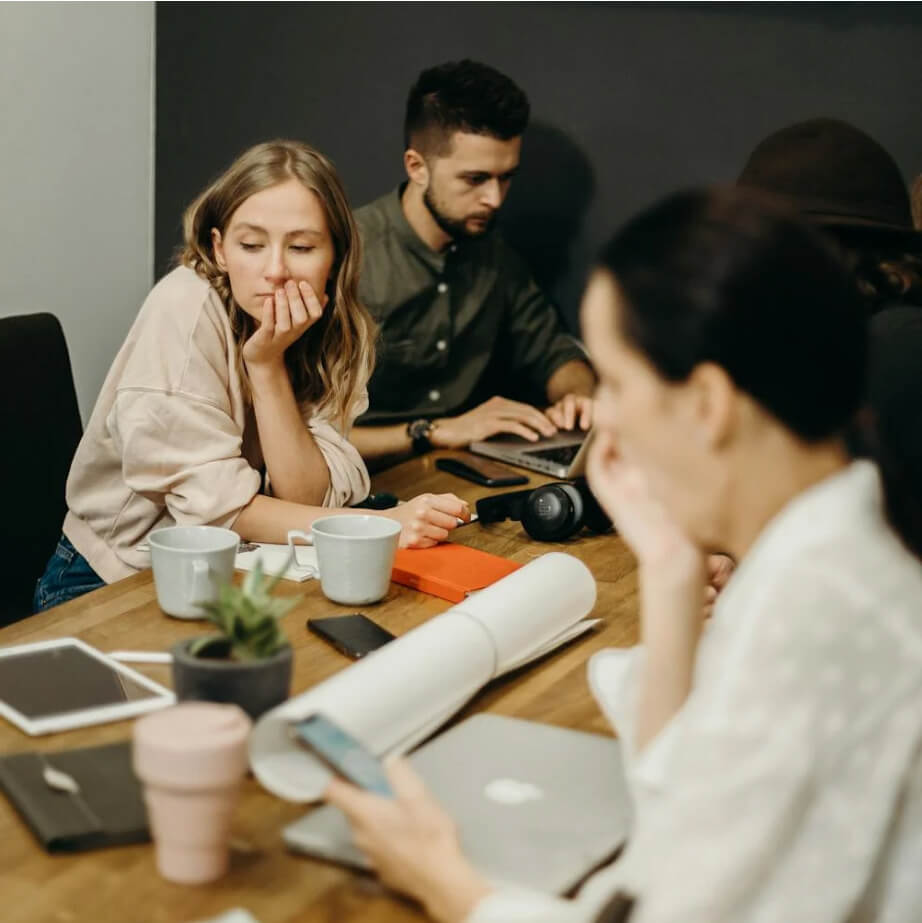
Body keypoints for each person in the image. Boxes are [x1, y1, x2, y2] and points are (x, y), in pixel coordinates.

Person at [324, 189, 922, 922]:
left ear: (705, 402)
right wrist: (670, 569)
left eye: (617, 381)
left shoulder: (818, 622)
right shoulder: (824, 562)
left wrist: (449, 884)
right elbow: (686, 802)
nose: (601, 413)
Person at [34, 140, 468, 612]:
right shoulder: (183, 307)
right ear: (219, 249)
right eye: (251, 245)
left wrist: (267, 365)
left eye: (301, 247)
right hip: (112, 582)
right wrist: (383, 527)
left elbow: (308, 497)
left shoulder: (339, 328)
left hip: (246, 567)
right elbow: (220, 511)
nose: (275, 270)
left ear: (335, 256)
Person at [349, 60, 597, 466]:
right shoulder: (347, 257)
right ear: (417, 167)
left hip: (455, 477)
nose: (495, 199)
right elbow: (299, 432)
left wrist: (578, 396)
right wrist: (434, 433)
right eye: (475, 179)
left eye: (506, 177)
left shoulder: (494, 256)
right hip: (358, 489)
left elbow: (555, 352)